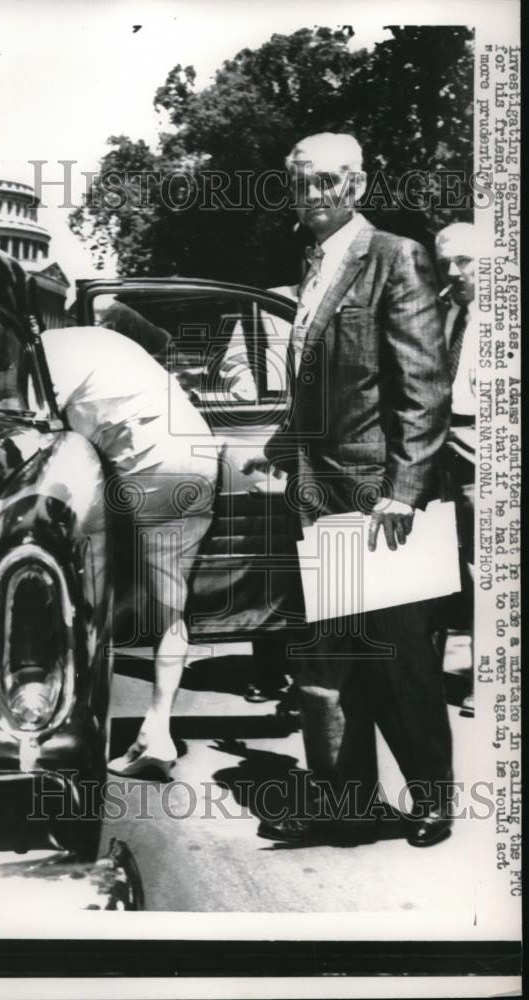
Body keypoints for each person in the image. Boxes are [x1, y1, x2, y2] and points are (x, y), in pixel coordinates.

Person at [247, 133, 454, 848]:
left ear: (358, 184)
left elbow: (421, 385)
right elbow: (315, 385)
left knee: (396, 656)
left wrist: (404, 487)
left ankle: (431, 797)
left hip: (375, 495)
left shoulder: (394, 257)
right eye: (300, 183)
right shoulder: (312, 263)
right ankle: (347, 802)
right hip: (320, 490)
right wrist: (281, 451)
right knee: (334, 657)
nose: (310, 196)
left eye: (326, 183)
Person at [41, 326, 219, 778]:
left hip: (147, 467)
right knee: (170, 609)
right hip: (199, 459)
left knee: (89, 598)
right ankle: (156, 731)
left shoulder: (44, 354)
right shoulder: (107, 341)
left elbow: (41, 429)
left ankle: (71, 730)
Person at [435, 223, 477, 718]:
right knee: (447, 567)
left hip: (483, 446)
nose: (453, 271)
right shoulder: (448, 311)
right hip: (442, 446)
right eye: (446, 261)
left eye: (464, 260)